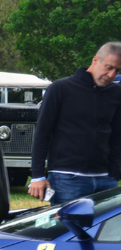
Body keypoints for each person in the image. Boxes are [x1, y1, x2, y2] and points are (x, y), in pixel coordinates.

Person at [29, 42, 121, 203]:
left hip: (106, 179)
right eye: (109, 67)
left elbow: (117, 135)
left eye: (117, 70)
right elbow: (42, 133)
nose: (112, 75)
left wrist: (115, 172)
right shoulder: (61, 88)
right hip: (67, 179)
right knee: (68, 228)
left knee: (109, 229)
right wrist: (37, 176)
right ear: (95, 60)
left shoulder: (116, 93)